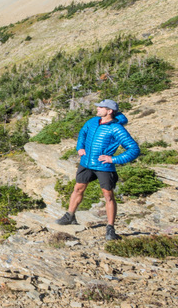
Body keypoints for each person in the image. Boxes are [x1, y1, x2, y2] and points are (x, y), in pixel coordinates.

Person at [55, 99, 140, 240]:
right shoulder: (93, 121)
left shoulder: (116, 128)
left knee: (108, 196)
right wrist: (80, 147)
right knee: (78, 189)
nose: (97, 109)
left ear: (109, 111)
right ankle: (69, 216)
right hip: (86, 163)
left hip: (104, 166)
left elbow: (134, 149)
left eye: (101, 107)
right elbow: (83, 133)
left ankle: (110, 229)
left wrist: (113, 159)